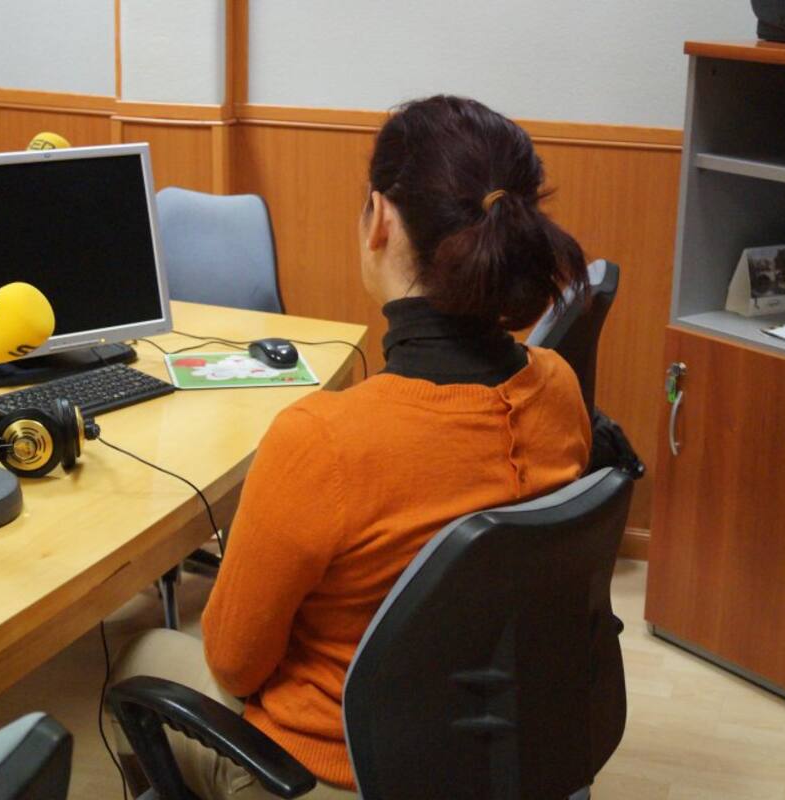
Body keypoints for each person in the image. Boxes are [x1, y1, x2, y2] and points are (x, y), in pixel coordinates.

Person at [111, 95, 594, 798]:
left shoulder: (323, 442)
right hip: (503, 745)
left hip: (339, 775)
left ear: (382, 219)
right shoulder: (557, 386)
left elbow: (235, 664)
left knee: (142, 654)